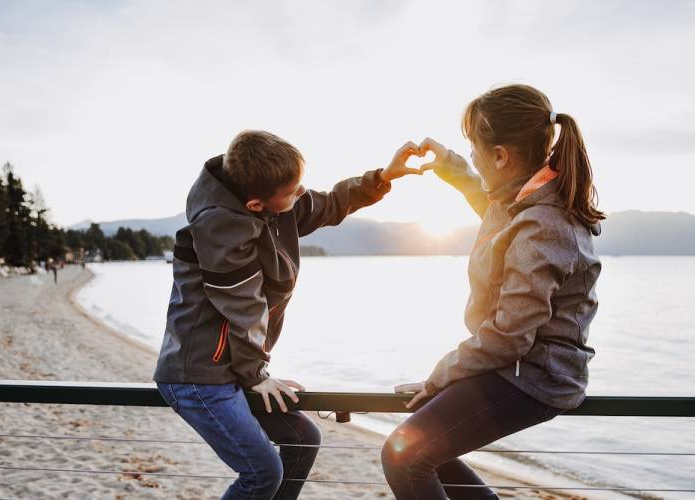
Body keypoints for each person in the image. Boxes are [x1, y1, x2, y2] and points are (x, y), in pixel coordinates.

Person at [154, 130, 423, 500]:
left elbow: (328, 204)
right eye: (294, 191)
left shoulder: (274, 204)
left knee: (303, 438)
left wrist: (382, 178)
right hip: (198, 376)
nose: (301, 195)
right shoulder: (220, 227)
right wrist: (256, 374)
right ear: (255, 204)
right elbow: (243, 306)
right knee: (262, 473)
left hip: (230, 369)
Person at [381, 84, 604, 499]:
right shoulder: (522, 202)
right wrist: (448, 164)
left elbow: (509, 336)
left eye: (473, 147)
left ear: (500, 156)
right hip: (513, 366)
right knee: (424, 450)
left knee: (403, 454)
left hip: (535, 377)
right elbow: (487, 202)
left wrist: (442, 374)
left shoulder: (543, 225)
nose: (471, 156)